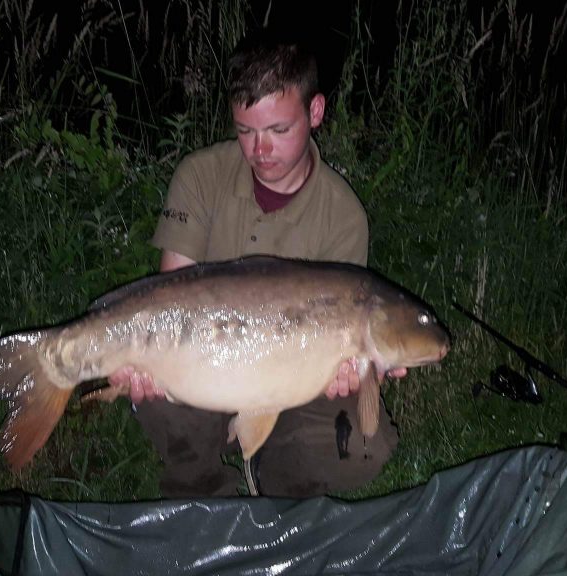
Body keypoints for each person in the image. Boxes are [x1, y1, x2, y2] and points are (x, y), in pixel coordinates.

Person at [110, 29, 405, 498]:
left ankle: (275, 478)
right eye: (245, 131)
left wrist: (351, 372)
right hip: (206, 362)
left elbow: (341, 346)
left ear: (315, 112)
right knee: (157, 392)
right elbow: (170, 296)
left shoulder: (344, 215)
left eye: (277, 130)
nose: (259, 150)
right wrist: (144, 360)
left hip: (291, 377)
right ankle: (204, 489)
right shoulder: (200, 175)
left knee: (363, 444)